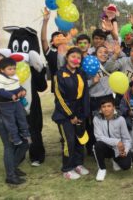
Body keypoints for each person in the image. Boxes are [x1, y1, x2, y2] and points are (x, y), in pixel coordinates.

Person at [52, 47, 90, 180]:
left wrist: (83, 114)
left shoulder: (81, 73)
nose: (75, 59)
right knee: (69, 141)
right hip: (64, 115)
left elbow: (85, 95)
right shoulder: (59, 74)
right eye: (73, 56)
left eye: (78, 57)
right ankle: (67, 168)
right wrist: (71, 116)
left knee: (80, 139)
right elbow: (60, 99)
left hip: (79, 113)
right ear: (67, 57)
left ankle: (78, 164)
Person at [0, 53, 29, 185]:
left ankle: (12, 167)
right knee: (9, 145)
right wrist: (13, 95)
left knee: (24, 141)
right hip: (1, 115)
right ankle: (10, 175)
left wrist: (22, 90)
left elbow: (17, 86)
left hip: (15, 110)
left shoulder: (11, 76)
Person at [93, 98, 132, 182]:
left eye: (109, 106)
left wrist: (125, 150)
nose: (106, 109)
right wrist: (116, 141)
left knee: (126, 166)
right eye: (103, 106)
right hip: (105, 147)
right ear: (100, 109)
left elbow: (127, 139)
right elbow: (99, 137)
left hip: (118, 149)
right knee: (98, 145)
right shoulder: (96, 119)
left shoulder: (121, 119)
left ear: (113, 107)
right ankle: (102, 169)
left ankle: (115, 159)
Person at [86, 45, 114, 156]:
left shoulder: (110, 65)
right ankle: (94, 149)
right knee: (96, 126)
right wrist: (92, 81)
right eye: (100, 52)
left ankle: (109, 149)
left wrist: (113, 50)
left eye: (106, 52)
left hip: (109, 98)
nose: (103, 54)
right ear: (95, 54)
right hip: (95, 100)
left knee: (110, 125)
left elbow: (121, 56)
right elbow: (82, 85)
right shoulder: (89, 66)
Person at [0, 58, 30, 145]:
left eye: (14, 68)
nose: (13, 71)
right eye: (10, 69)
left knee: (21, 117)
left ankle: (25, 133)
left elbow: (18, 86)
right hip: (6, 105)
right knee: (11, 122)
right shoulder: (0, 79)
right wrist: (10, 96)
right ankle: (15, 138)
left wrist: (22, 90)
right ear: (2, 70)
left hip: (17, 102)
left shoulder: (14, 76)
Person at [40, 8, 66, 93]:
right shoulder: (51, 55)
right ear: (52, 42)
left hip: (72, 86)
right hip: (58, 88)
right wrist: (45, 21)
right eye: (56, 37)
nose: (59, 37)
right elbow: (43, 39)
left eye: (61, 36)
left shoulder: (71, 53)